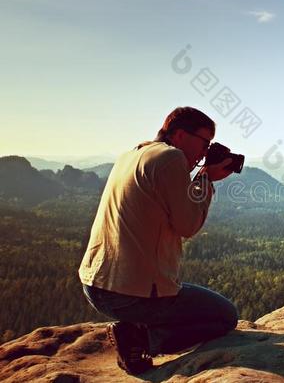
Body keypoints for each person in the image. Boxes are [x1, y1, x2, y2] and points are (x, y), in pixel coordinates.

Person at [78, 106, 238, 374]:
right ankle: (141, 339)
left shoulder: (132, 155)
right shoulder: (171, 158)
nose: (205, 151)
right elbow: (188, 225)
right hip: (130, 295)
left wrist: (200, 174)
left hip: (94, 283)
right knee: (225, 316)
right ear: (178, 135)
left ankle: (136, 329)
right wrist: (206, 179)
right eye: (204, 142)